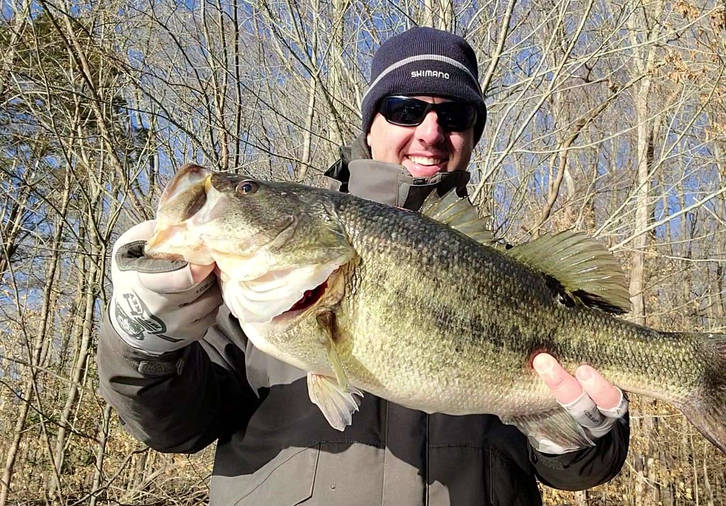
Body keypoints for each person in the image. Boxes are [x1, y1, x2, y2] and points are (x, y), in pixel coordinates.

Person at [98, 27, 630, 505]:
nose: (430, 131)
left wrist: (572, 437)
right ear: (370, 125)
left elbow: (580, 471)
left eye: (455, 116)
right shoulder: (243, 286)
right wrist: (144, 340)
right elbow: (175, 429)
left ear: (471, 135)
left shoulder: (519, 279)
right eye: (404, 109)